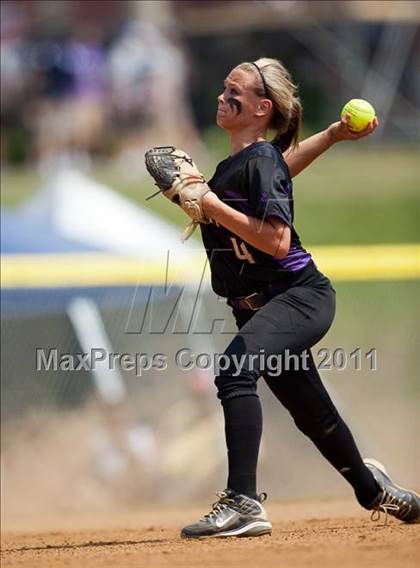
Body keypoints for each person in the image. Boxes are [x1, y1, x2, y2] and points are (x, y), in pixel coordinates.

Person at [180, 58, 419, 538]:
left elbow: (277, 242)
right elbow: (280, 169)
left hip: (298, 297)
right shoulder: (246, 164)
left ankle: (244, 502)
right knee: (315, 415)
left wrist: (208, 204)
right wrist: (331, 135)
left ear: (262, 108)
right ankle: (378, 492)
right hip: (266, 306)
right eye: (224, 89)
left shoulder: (256, 162)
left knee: (234, 370)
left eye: (236, 93)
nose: (223, 98)